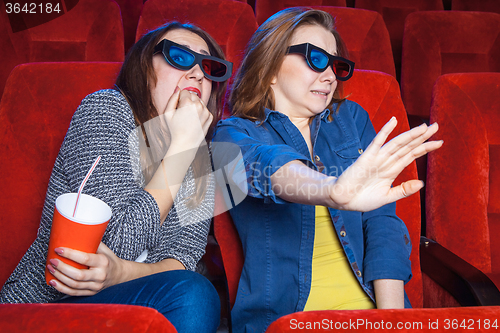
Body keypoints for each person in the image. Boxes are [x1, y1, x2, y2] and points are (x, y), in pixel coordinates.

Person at [211, 7, 443, 333]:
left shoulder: (353, 119)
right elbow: (264, 168)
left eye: (336, 65)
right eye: (316, 59)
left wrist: (392, 322)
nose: (331, 75)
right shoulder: (232, 133)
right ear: (271, 66)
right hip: (288, 322)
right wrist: (332, 192)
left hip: (373, 315)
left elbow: (382, 225)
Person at [0, 21, 233, 333]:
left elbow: (181, 262)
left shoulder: (200, 156)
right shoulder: (106, 110)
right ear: (143, 69)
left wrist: (121, 273)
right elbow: (113, 244)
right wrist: (182, 148)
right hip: (49, 307)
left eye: (209, 66)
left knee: (196, 292)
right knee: (193, 295)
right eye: (178, 56)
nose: (197, 73)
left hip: (130, 304)